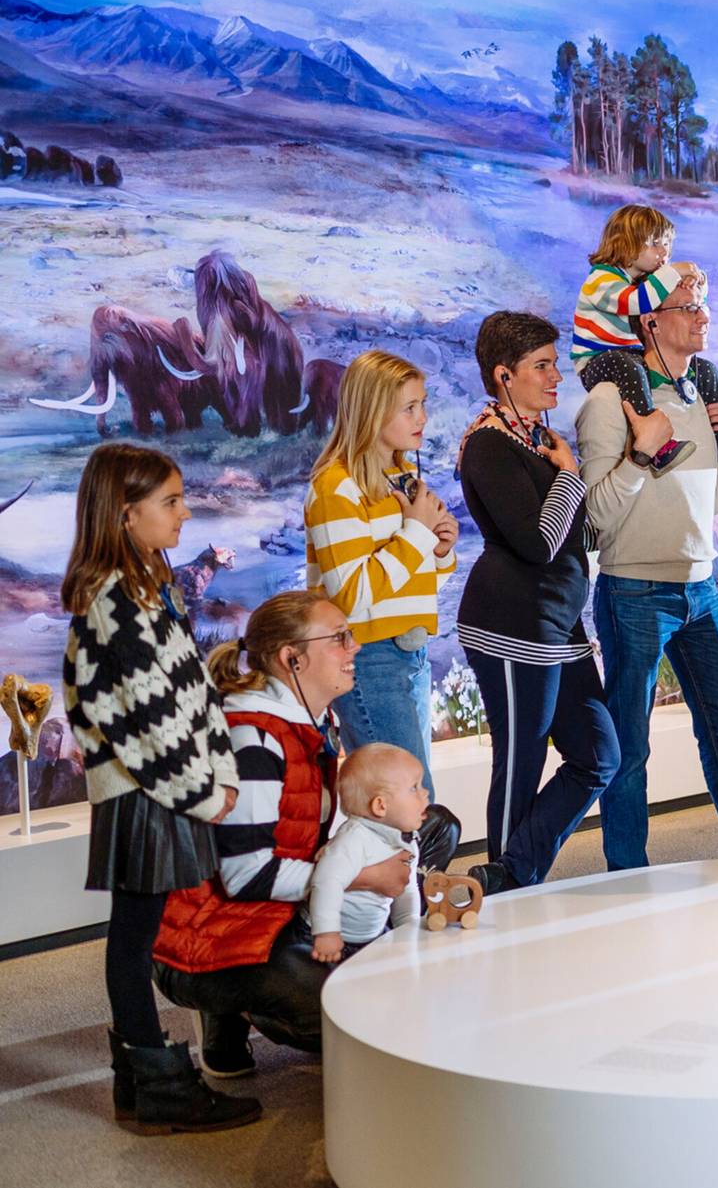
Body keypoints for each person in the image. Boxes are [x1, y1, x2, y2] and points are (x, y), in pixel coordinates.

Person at [153, 590, 460, 1074]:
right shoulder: (249, 736)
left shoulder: (311, 722)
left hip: (277, 909)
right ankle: (230, 1005)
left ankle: (351, 946)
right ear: (291, 659)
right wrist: (362, 878)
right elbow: (243, 877)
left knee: (432, 825)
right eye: (339, 638)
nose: (354, 646)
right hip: (216, 931)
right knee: (367, 1013)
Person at [61, 443, 255, 1133]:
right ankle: (156, 1085)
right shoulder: (114, 600)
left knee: (135, 934)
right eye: (170, 501)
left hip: (166, 790)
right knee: (134, 938)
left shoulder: (147, 586)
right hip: (146, 795)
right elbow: (148, 721)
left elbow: (191, 691)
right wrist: (208, 792)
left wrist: (218, 773)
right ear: (125, 512)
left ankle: (141, 1085)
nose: (185, 511)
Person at [577, 274, 718, 866]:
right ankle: (626, 872)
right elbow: (597, 514)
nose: (703, 316)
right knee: (631, 747)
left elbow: (709, 503)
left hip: (701, 587)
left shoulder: (700, 394)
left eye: (704, 305)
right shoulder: (607, 403)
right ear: (651, 322)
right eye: (688, 307)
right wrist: (642, 455)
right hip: (634, 587)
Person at [457, 311, 617, 893]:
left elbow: (577, 536)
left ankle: (508, 874)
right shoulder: (488, 446)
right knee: (521, 766)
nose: (556, 377)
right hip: (511, 627)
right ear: (504, 375)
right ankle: (501, 898)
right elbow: (540, 542)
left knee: (600, 754)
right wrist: (570, 477)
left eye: (555, 363)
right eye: (541, 366)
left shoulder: (537, 439)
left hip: (560, 626)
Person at [306, 349, 457, 794]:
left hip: (409, 653)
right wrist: (416, 534)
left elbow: (413, 585)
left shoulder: (401, 477)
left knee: (414, 798)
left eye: (423, 404)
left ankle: (420, 869)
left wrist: (440, 550)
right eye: (409, 407)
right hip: (368, 659)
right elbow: (352, 597)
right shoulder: (335, 486)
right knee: (403, 804)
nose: (422, 417)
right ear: (371, 412)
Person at [574, 205, 718, 473]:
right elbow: (638, 301)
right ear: (624, 243)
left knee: (704, 368)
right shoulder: (601, 281)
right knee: (629, 366)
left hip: (628, 357)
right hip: (597, 361)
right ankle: (652, 437)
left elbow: (689, 295)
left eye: (667, 246)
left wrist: (696, 279)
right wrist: (675, 272)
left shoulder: (640, 281)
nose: (664, 254)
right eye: (655, 244)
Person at [306, 744, 428, 964]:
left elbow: (406, 891)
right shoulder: (354, 840)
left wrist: (408, 932)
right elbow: (326, 882)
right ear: (380, 806)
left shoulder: (406, 840)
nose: (425, 792)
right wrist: (326, 933)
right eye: (414, 788)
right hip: (333, 940)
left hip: (374, 935)